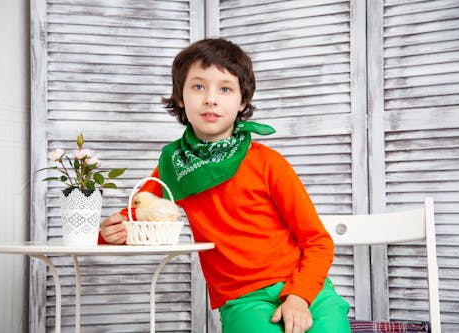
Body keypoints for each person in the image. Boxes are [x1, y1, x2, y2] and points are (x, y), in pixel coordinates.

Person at [99, 38, 350, 333]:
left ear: (242, 100)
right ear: (180, 97)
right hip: (243, 299)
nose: (210, 99)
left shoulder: (268, 162)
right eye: (198, 86)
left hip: (307, 290)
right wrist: (108, 233)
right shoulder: (173, 167)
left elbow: (317, 242)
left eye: (225, 88)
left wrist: (300, 296)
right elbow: (136, 215)